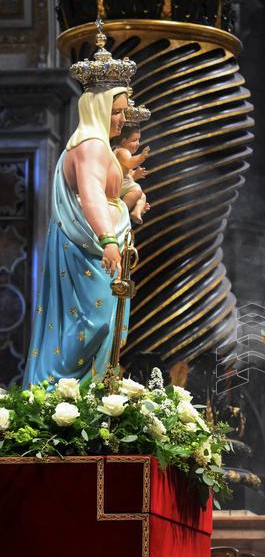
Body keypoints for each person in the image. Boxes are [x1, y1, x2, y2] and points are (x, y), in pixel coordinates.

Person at [24, 24, 135, 386]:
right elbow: (90, 194)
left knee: (108, 325)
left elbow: (109, 195)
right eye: (117, 111)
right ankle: (60, 395)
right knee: (93, 323)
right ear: (100, 108)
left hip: (99, 251)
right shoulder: (90, 145)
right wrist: (109, 239)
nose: (123, 118)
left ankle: (90, 399)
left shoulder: (98, 145)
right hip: (89, 251)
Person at [112, 124, 150, 224]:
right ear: (124, 141)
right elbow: (130, 162)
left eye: (138, 140)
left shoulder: (121, 151)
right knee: (137, 190)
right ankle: (122, 210)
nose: (138, 143)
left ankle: (136, 212)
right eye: (134, 140)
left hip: (123, 182)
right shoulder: (122, 151)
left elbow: (127, 173)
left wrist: (135, 174)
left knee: (142, 196)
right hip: (118, 184)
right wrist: (140, 158)